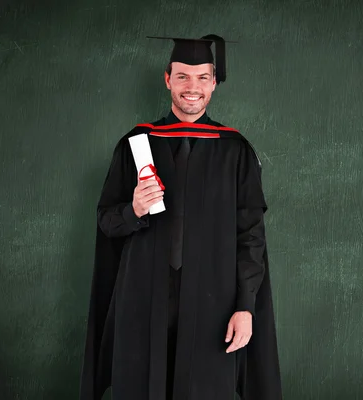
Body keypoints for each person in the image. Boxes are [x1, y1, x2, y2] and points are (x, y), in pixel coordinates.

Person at [79, 34, 282, 400]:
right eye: (183, 76)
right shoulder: (136, 144)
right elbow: (107, 221)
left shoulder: (235, 150)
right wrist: (134, 209)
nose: (193, 87)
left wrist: (245, 307)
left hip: (214, 304)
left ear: (215, 82)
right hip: (143, 299)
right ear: (167, 79)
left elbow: (251, 237)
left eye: (203, 77)